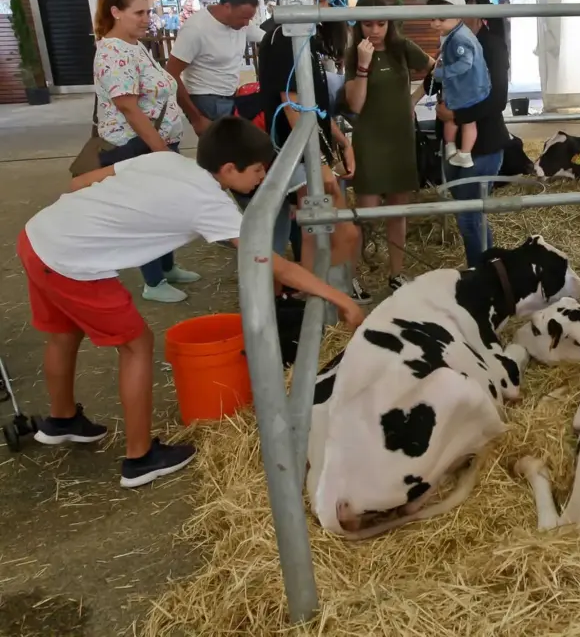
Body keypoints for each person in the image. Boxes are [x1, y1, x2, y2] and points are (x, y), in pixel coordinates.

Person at [19, 117, 364, 488]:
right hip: (72, 262)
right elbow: (274, 265)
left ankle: (62, 420)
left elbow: (78, 182)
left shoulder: (168, 160)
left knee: (63, 333)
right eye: (258, 171)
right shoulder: (212, 204)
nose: (263, 178)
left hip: (38, 237)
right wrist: (337, 297)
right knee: (137, 345)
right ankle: (140, 458)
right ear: (229, 169)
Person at [92, 0, 203, 304]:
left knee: (164, 210)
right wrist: (161, 151)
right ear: (116, 12)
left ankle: (167, 266)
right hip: (133, 146)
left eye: (148, 12)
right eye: (139, 12)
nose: (147, 19)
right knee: (145, 215)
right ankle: (152, 282)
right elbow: (128, 107)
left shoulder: (134, 46)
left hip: (156, 142)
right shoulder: (113, 51)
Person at [257, 0, 363, 294]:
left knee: (315, 231)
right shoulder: (283, 37)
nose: (327, 6)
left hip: (309, 146)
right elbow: (292, 105)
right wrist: (316, 161)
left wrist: (339, 138)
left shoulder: (307, 36)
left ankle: (306, 294)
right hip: (296, 150)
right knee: (330, 231)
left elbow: (312, 104)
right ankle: (306, 296)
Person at [343, 0, 435, 290]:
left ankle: (396, 274)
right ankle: (351, 278)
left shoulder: (402, 48)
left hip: (400, 139)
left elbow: (435, 67)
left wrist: (413, 99)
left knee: (398, 210)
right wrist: (363, 65)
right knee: (366, 216)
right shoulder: (354, 55)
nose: (375, 30)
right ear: (359, 25)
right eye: (368, 23)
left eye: (381, 23)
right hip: (369, 141)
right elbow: (355, 105)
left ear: (390, 23)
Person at [430, 0, 511, 267]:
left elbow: (497, 98)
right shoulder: (451, 41)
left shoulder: (491, 46)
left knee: (469, 217)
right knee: (468, 215)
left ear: (470, 5)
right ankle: (486, 269)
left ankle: (483, 278)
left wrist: (455, 115)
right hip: (453, 140)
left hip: (484, 143)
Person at [166, 0, 265, 126]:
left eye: (249, 19)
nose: (246, 23)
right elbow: (171, 73)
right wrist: (196, 118)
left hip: (231, 95)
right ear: (227, 7)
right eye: (243, 17)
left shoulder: (240, 24)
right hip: (206, 100)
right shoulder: (196, 29)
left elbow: (266, 37)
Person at [418, 0, 491, 169]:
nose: (434, 24)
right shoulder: (450, 34)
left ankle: (464, 153)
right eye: (432, 18)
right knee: (453, 118)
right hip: (461, 87)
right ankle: (451, 148)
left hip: (469, 89)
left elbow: (465, 63)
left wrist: (443, 72)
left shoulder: (461, 38)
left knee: (465, 120)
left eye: (440, 19)